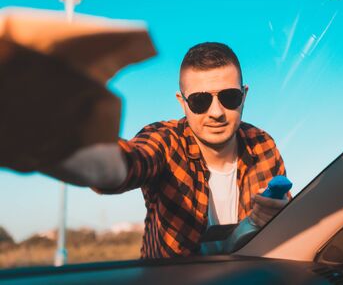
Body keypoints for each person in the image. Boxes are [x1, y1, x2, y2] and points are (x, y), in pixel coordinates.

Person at [45, 42, 289, 258]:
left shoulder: (262, 145)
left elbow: (283, 230)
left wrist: (275, 219)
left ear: (244, 96)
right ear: (182, 102)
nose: (216, 112)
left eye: (229, 97)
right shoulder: (166, 140)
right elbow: (131, 161)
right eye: (200, 101)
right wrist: (66, 143)